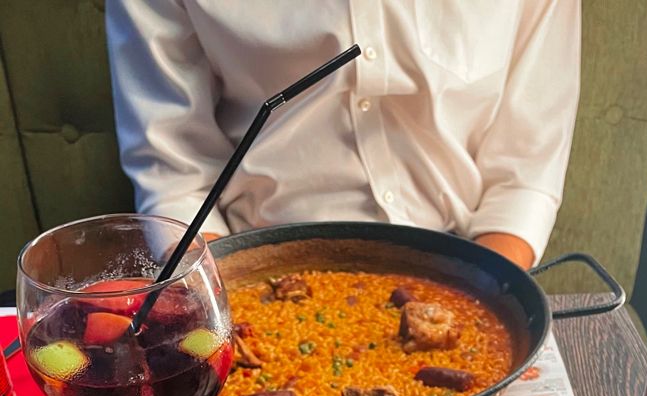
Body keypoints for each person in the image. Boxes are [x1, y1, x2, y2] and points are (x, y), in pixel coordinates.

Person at [106, 2, 581, 269]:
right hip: (248, 262)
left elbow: (526, 168)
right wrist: (227, 306)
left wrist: (481, 294)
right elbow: (175, 171)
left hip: (467, 259)